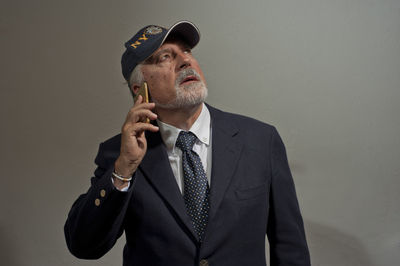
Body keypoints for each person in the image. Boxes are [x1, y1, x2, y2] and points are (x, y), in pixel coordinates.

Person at [64, 20, 311, 266]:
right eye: (165, 57)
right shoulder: (119, 153)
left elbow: (290, 248)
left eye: (187, 52)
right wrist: (124, 169)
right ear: (140, 90)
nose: (185, 61)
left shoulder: (260, 141)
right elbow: (84, 246)